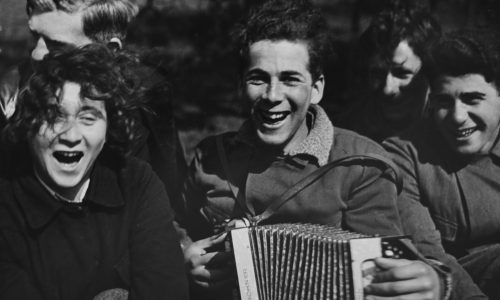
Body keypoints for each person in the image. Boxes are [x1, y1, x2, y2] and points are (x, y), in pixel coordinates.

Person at [179, 1, 448, 299]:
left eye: (290, 79)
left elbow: (381, 275)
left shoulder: (359, 165)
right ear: (240, 85)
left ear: (317, 88)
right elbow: (175, 224)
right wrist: (182, 254)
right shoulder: (211, 156)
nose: (272, 95)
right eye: (258, 78)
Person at [0, 44, 189, 300]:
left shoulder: (135, 182)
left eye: (88, 117)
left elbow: (166, 291)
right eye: (54, 116)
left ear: (108, 126)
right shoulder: (8, 204)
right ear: (28, 123)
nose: (71, 135)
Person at [0, 0, 187, 205]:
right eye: (35, 36)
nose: (37, 54)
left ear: (108, 51)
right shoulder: (10, 93)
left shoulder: (145, 95)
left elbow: (169, 191)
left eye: (57, 46)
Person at [383, 29, 500, 299]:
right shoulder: (405, 155)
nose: (458, 117)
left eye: (473, 99)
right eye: (444, 101)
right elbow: (427, 251)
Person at [335, 0, 440, 143]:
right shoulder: (344, 130)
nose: (387, 89)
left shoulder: (450, 134)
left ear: (429, 74)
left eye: (402, 73)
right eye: (377, 74)